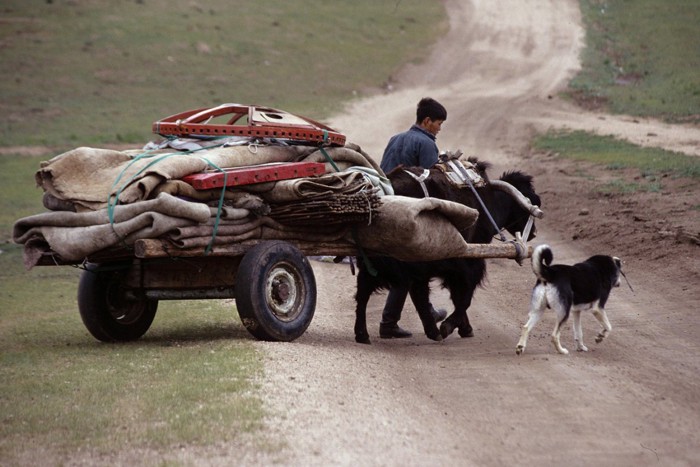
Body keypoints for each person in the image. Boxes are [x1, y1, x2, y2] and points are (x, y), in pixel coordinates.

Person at [378, 97, 448, 339]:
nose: (439, 128)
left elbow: (383, 173)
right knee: (409, 267)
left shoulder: (394, 139)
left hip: (386, 207)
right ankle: (391, 322)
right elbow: (433, 184)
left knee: (404, 267)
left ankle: (408, 317)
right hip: (410, 213)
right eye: (439, 123)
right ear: (427, 121)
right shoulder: (427, 144)